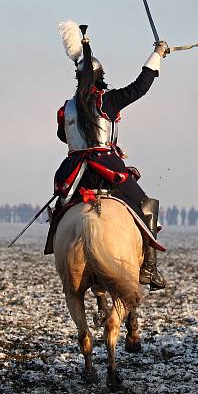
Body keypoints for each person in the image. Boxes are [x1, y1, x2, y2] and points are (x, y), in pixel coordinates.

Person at [46, 21, 168, 291]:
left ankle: (57, 247)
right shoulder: (107, 101)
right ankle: (149, 268)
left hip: (73, 172)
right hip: (105, 166)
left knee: (60, 211)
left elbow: (62, 137)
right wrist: (157, 54)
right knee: (147, 206)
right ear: (101, 77)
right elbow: (140, 86)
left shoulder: (65, 109)